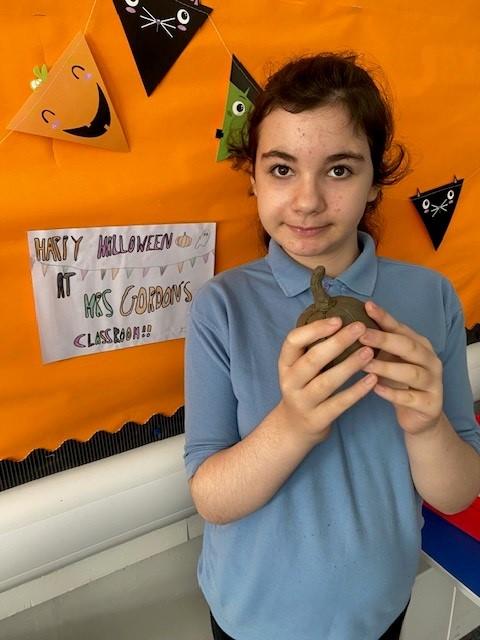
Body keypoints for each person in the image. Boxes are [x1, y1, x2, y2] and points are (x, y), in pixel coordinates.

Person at [184, 52, 480, 640]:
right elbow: (211, 498)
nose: (308, 200)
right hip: (250, 616)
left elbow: (458, 492)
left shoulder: (430, 298)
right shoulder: (221, 306)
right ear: (252, 177)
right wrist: (294, 424)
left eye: (340, 170)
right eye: (282, 169)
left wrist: (426, 427)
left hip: (379, 610)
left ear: (375, 182)